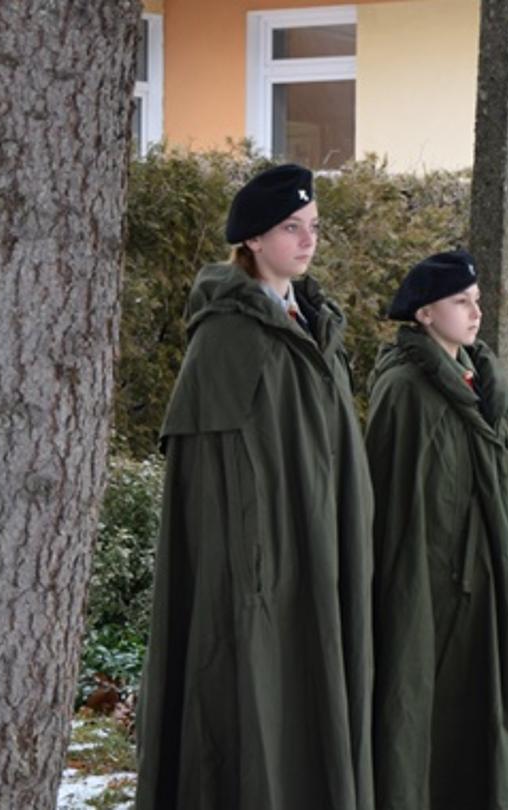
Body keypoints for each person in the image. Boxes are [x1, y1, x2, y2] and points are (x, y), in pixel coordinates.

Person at [137, 164, 376, 809]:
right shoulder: (224, 339)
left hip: (321, 548)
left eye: (313, 228)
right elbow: (213, 489)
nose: (307, 241)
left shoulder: (318, 327)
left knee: (320, 679)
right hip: (260, 570)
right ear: (251, 241)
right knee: (259, 689)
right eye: (290, 229)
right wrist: (257, 567)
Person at [366, 251, 508, 810]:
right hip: (436, 583)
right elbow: (395, 505)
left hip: (498, 565)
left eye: (477, 301)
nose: (475, 313)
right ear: (423, 314)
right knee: (442, 700)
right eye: (460, 302)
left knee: (506, 693)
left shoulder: (484, 383)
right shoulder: (403, 393)